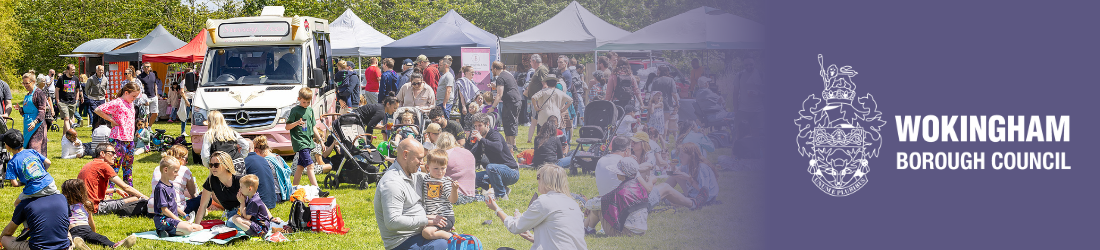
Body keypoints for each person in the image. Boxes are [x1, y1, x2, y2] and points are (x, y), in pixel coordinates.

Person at [484, 165, 588, 249]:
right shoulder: (573, 203)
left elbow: (515, 227)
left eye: (538, 177)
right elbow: (564, 237)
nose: (537, 180)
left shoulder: (545, 201)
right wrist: (532, 237)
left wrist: (496, 209)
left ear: (546, 180)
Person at [374, 138, 449, 250]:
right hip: (402, 242)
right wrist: (426, 220)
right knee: (443, 245)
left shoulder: (414, 175)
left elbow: (435, 183)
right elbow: (392, 222)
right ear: (405, 155)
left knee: (464, 242)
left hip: (421, 233)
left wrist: (440, 222)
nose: (422, 162)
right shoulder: (392, 183)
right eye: (419, 158)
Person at [60, 179, 139, 248]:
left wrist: (93, 234)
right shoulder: (84, 204)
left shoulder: (65, 204)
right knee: (99, 239)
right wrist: (93, 234)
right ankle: (112, 245)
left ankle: (115, 245)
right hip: (83, 229)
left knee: (98, 238)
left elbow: (61, 222)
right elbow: (91, 221)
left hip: (76, 230)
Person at [77, 143, 149, 216]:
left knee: (108, 197)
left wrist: (115, 190)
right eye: (112, 153)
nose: (115, 156)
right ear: (102, 153)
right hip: (94, 208)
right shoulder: (103, 165)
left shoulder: (91, 164)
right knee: (136, 198)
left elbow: (92, 189)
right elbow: (126, 187)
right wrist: (147, 198)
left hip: (83, 206)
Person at [94, 82, 141, 187]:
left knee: (128, 167)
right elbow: (98, 110)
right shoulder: (117, 102)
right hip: (118, 139)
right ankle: (109, 191)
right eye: (133, 96)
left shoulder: (131, 103)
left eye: (136, 96)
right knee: (114, 167)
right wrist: (111, 120)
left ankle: (129, 190)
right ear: (126, 92)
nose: (134, 98)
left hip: (129, 139)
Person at [583, 136, 633, 234]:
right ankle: (587, 227)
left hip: (605, 203)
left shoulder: (601, 160)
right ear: (626, 151)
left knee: (597, 203)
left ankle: (587, 227)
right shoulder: (625, 163)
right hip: (620, 207)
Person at [465, 113, 519, 199]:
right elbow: (476, 157)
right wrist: (471, 143)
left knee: (490, 167)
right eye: (475, 126)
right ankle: (503, 188)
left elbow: (498, 148)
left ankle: (501, 196)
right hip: (497, 171)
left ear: (487, 124)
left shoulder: (494, 134)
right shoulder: (481, 138)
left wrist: (481, 139)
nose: (477, 129)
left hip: (511, 171)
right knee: (473, 177)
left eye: (480, 125)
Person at [415, 149, 462, 241]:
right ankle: (446, 233)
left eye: (443, 168)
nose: (440, 171)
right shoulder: (426, 178)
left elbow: (453, 200)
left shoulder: (446, 181)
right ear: (428, 168)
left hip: (445, 217)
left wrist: (454, 189)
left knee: (427, 233)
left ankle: (453, 238)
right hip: (432, 217)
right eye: (436, 168)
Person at [153, 157, 203, 237]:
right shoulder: (160, 188)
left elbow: (174, 204)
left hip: (173, 220)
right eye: (175, 171)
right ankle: (161, 230)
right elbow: (164, 210)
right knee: (189, 229)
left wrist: (184, 215)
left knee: (199, 227)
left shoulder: (170, 185)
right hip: (163, 220)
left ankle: (167, 232)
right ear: (165, 170)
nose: (177, 174)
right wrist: (180, 221)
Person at [192, 151, 245, 225]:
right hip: (232, 213)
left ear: (226, 165)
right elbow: (203, 206)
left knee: (232, 223)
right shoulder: (211, 181)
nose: (213, 167)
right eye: (211, 165)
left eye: (216, 165)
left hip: (246, 210)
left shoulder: (240, 180)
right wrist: (196, 225)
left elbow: (256, 200)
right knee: (230, 223)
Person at [600, 159, 649, 236]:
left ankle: (587, 228)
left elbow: (602, 202)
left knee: (598, 207)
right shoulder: (640, 188)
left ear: (622, 174)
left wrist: (588, 203)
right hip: (641, 232)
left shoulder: (621, 192)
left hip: (626, 233)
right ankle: (588, 227)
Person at [147, 146, 200, 215]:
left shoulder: (157, 168)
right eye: (186, 159)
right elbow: (193, 194)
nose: (187, 162)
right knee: (204, 200)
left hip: (152, 208)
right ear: (180, 158)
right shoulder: (184, 170)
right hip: (174, 210)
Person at [433, 133, 477, 205]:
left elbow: (432, 173)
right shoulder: (468, 152)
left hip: (455, 196)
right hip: (471, 196)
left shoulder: (445, 155)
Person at [287, 88, 318, 186]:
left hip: (308, 141)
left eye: (308, 102)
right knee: (310, 165)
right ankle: (317, 189)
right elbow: (287, 126)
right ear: (299, 99)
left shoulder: (310, 110)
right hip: (300, 142)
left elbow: (313, 127)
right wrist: (296, 123)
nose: (306, 104)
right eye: (304, 102)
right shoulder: (295, 110)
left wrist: (320, 140)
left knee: (300, 166)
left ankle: (294, 187)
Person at [490, 62, 522, 149]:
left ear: (495, 69)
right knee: (509, 122)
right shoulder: (507, 74)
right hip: (516, 100)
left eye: (492, 69)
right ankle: (508, 144)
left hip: (511, 102)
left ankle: (512, 145)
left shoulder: (500, 77)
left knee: (510, 122)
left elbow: (499, 94)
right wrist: (496, 85)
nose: (492, 71)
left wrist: (492, 107)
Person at [16, 74, 49, 154]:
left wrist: (35, 122)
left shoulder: (39, 93)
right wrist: (20, 109)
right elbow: (27, 111)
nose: (25, 85)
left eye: (27, 83)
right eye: (23, 83)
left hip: (37, 126)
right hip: (27, 126)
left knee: (35, 149)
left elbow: (42, 111)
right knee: (27, 149)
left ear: (33, 82)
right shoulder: (28, 94)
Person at [253, 137, 293, 201]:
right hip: (284, 192)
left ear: (256, 150)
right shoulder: (278, 157)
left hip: (274, 195)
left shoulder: (265, 162)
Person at [648, 65, 680, 143]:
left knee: (656, 121)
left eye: (658, 70)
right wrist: (677, 102)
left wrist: (651, 103)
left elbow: (652, 93)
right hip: (667, 103)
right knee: (665, 122)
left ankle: (655, 138)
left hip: (656, 103)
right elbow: (673, 93)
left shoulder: (655, 80)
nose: (657, 71)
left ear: (661, 71)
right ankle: (663, 138)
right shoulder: (671, 80)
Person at [523, 54, 550, 143]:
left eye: (530, 62)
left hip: (539, 101)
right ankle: (533, 139)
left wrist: (539, 100)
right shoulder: (539, 69)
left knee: (539, 121)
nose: (530, 63)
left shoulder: (541, 69)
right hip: (536, 100)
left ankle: (540, 139)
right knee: (534, 120)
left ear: (534, 61)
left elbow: (545, 85)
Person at [54, 64, 82, 132]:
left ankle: (64, 138)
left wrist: (76, 100)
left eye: (74, 70)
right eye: (72, 70)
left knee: (70, 119)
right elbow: (57, 90)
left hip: (72, 102)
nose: (73, 71)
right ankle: (70, 135)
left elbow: (77, 90)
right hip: (63, 101)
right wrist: (57, 100)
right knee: (66, 118)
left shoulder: (76, 79)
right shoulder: (61, 78)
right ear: (68, 70)